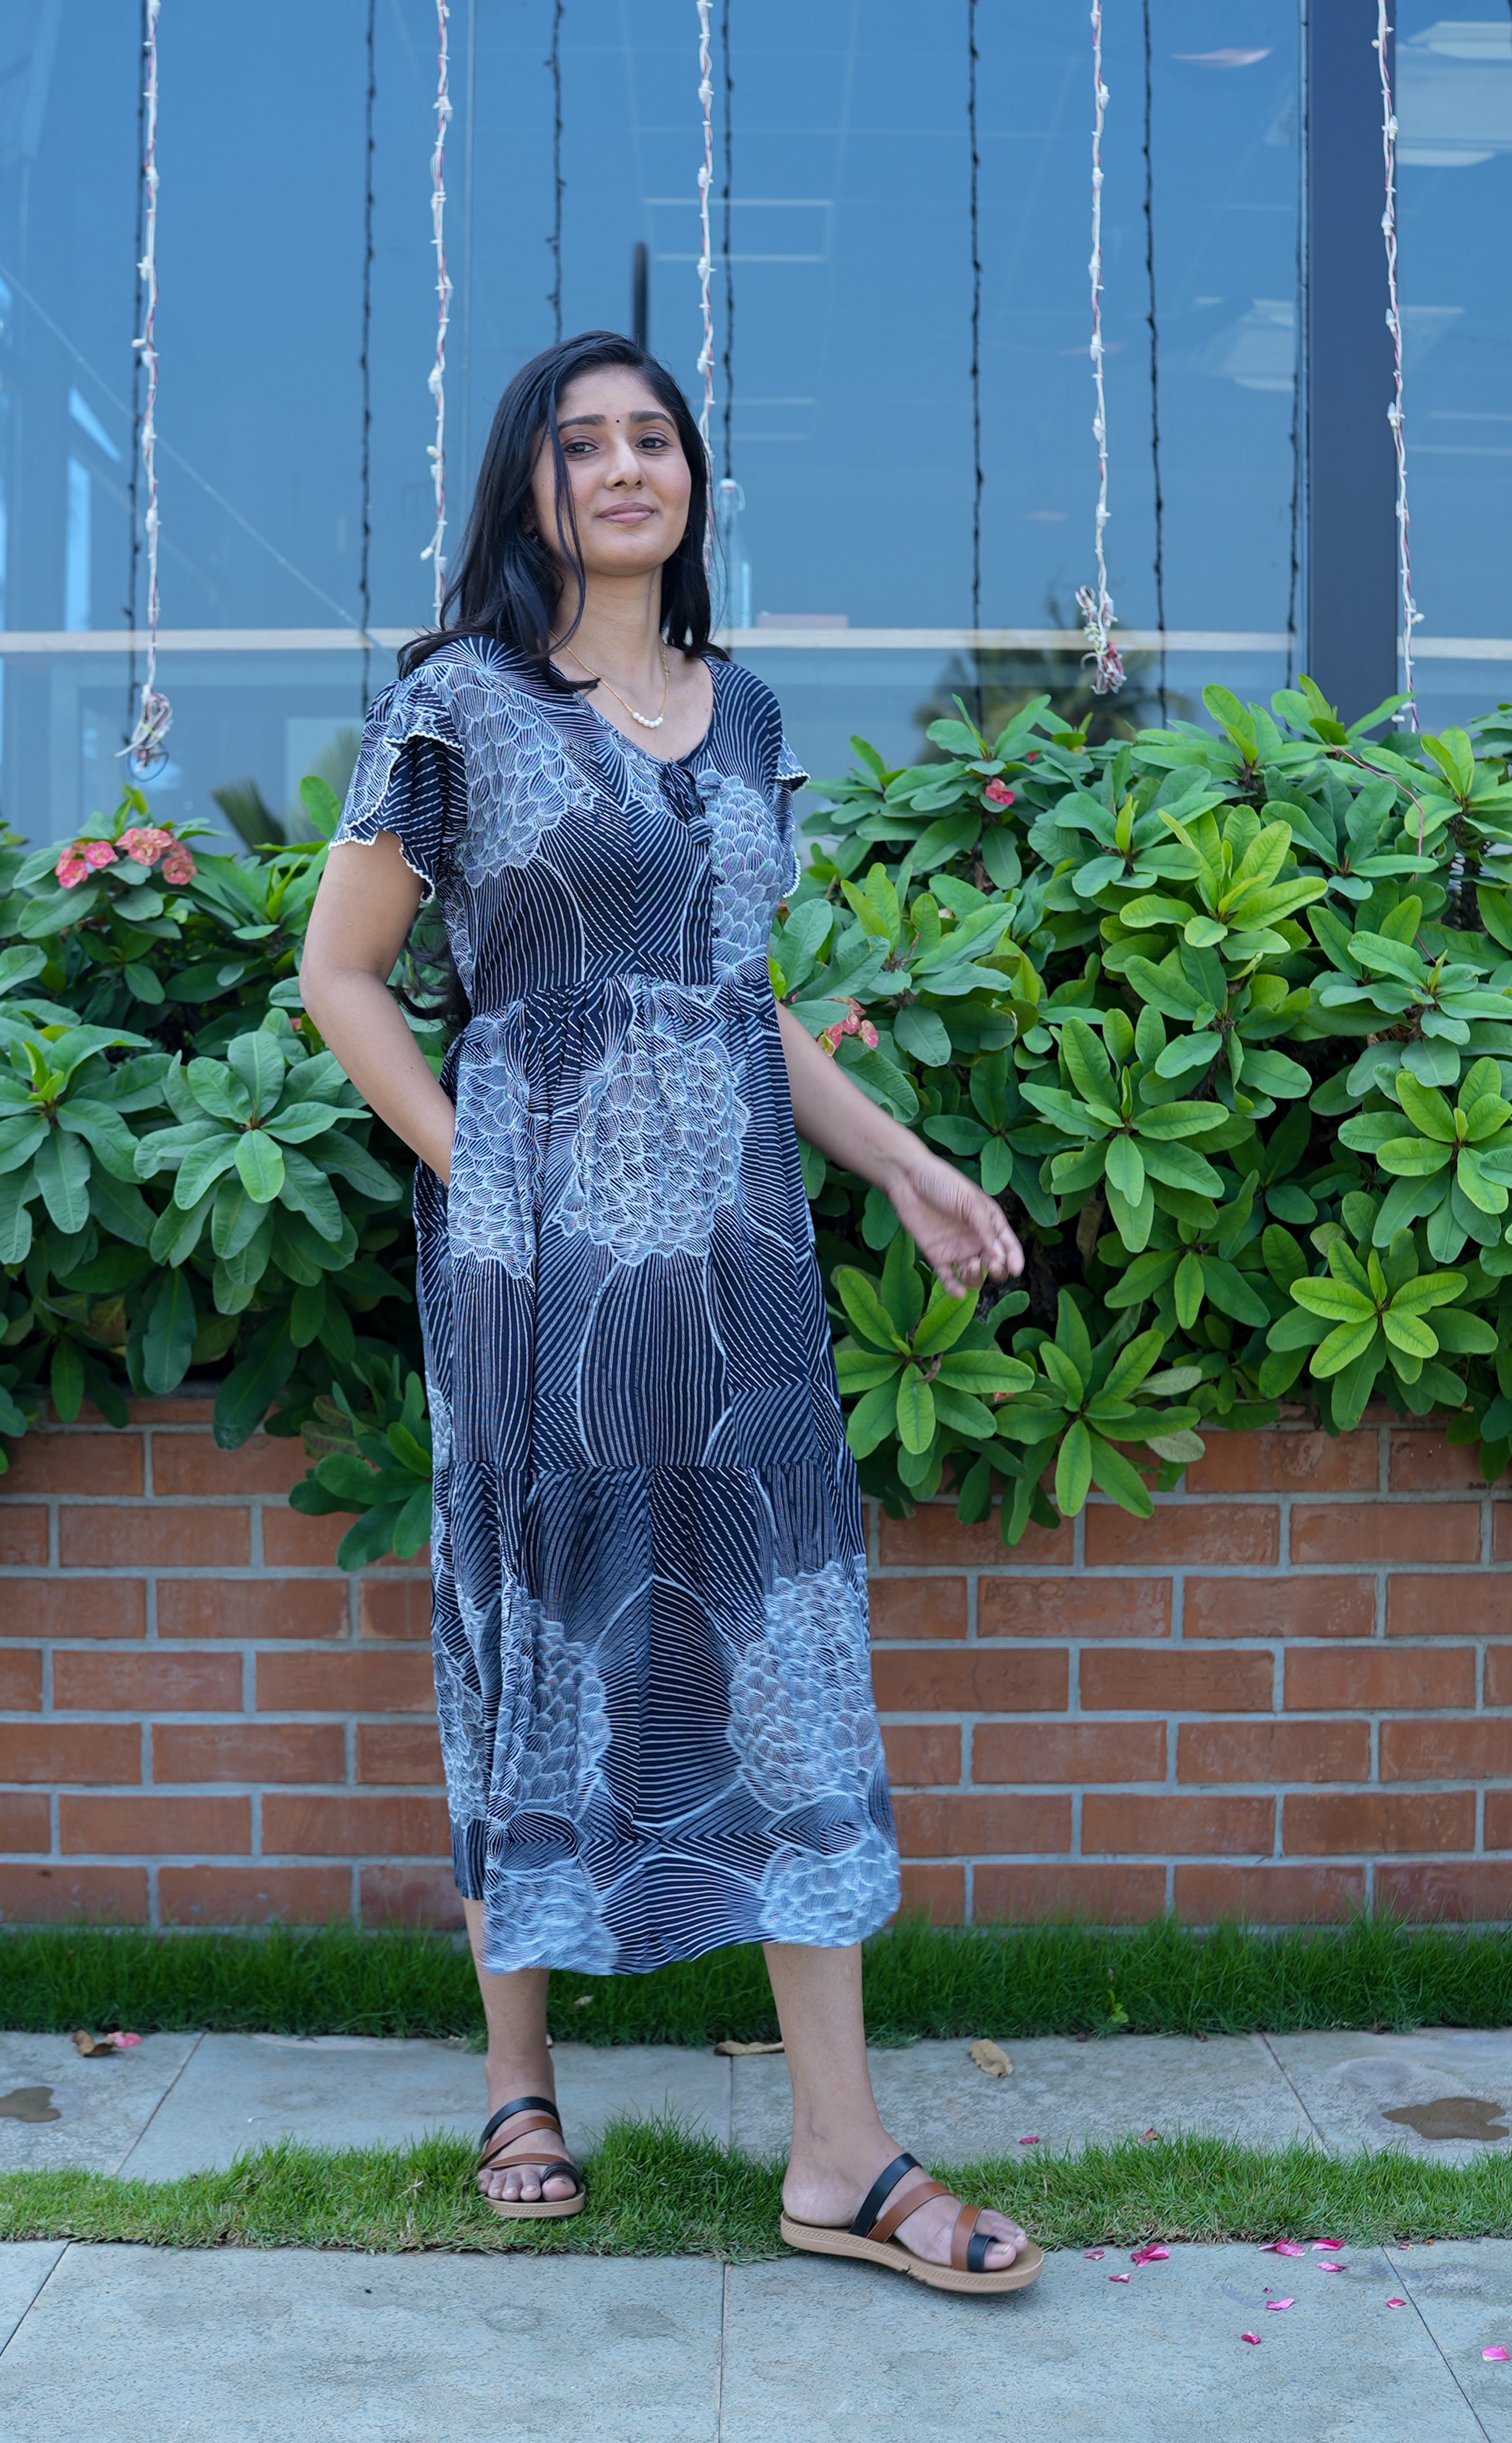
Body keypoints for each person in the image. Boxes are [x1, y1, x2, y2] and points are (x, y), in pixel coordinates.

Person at [300, 330, 1040, 2294]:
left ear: (692, 478)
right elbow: (341, 975)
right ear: (526, 485)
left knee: (786, 1646)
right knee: (537, 1622)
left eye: (655, 438)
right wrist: (481, 1173)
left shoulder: (748, 711)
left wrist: (904, 1164)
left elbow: (734, 995)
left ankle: (840, 2152)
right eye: (582, 442)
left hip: (736, 1270)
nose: (626, 466)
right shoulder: (456, 706)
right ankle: (517, 2080)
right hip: (537, 1273)